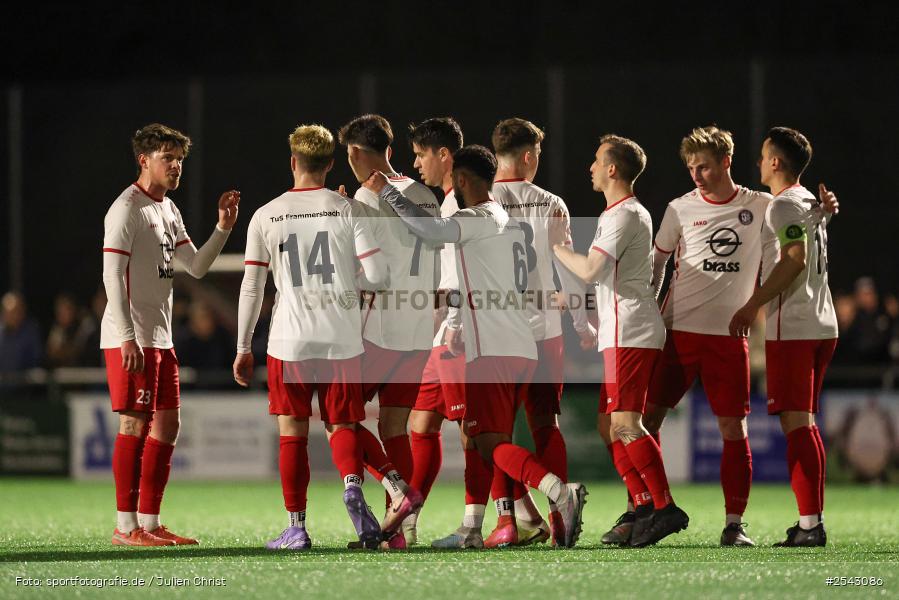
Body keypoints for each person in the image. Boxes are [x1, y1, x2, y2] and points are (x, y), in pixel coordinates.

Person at [365, 144, 588, 548]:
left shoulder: (479, 216)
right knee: (491, 440)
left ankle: (557, 492)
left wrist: (388, 192)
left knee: (487, 441)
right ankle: (492, 523)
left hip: (492, 348)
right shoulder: (501, 216)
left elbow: (430, 230)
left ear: (463, 180)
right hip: (517, 342)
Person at [233, 124, 418, 551]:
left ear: (293, 162)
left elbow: (252, 287)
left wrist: (244, 347)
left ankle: (296, 527)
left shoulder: (266, 214)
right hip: (341, 337)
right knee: (344, 424)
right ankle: (357, 486)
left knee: (293, 433)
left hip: (289, 340)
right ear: (330, 163)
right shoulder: (347, 208)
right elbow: (378, 276)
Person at [102, 123, 240, 546]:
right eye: (168, 157)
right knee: (133, 424)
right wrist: (126, 336)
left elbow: (196, 266)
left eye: (179, 158)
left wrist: (223, 228)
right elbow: (111, 275)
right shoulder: (126, 208)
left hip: (161, 339)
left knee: (167, 426)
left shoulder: (168, 209)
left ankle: (150, 521)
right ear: (144, 160)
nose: (176, 165)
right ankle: (125, 527)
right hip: (133, 337)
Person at [553, 135, 688, 547]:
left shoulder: (623, 215)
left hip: (631, 331)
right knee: (608, 426)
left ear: (613, 169)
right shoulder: (622, 214)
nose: (590, 168)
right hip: (623, 330)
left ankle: (663, 508)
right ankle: (644, 506)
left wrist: (555, 248)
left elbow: (592, 269)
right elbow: (613, 279)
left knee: (627, 423)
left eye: (596, 161)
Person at [488, 117, 596, 547]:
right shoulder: (551, 203)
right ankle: (557, 518)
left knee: (495, 432)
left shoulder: (479, 197)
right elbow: (567, 269)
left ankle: (507, 521)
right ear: (530, 157)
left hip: (496, 333)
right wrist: (582, 324)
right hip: (543, 331)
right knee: (545, 424)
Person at [729, 127, 838, 546]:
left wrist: (753, 302)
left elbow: (795, 258)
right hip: (821, 323)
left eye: (761, 156)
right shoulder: (809, 201)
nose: (757, 163)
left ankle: (810, 526)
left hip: (793, 327)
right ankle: (811, 521)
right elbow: (811, 230)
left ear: (775, 162)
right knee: (805, 425)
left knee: (798, 427)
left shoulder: (782, 207)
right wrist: (828, 210)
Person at [337, 114, 434, 547]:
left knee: (338, 414)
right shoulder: (425, 193)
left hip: (378, 329)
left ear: (356, 154)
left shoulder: (367, 194)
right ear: (391, 148)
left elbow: (362, 267)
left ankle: (395, 488)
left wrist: (346, 216)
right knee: (395, 425)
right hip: (419, 332)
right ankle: (402, 531)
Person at [401, 118, 495, 549]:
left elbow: (463, 277)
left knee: (473, 430)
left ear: (444, 156)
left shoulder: (460, 205)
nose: (416, 163)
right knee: (422, 424)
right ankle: (407, 521)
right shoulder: (449, 201)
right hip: (446, 330)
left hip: (462, 332)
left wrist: (454, 321)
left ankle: (477, 525)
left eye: (421, 154)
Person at [0, 291, 42, 372]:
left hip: (23, 383)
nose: (14, 316)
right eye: (10, 313)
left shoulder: (30, 332)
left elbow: (35, 361)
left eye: (17, 311)